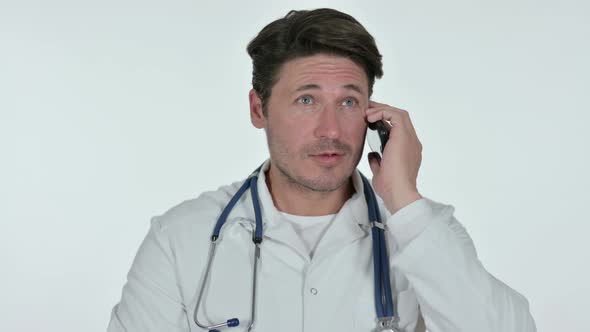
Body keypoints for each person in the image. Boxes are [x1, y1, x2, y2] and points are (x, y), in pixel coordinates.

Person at [107, 8, 536, 332]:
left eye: (348, 101)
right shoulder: (180, 239)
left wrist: (404, 200)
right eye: (306, 100)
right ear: (259, 109)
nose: (331, 129)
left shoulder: (421, 232)